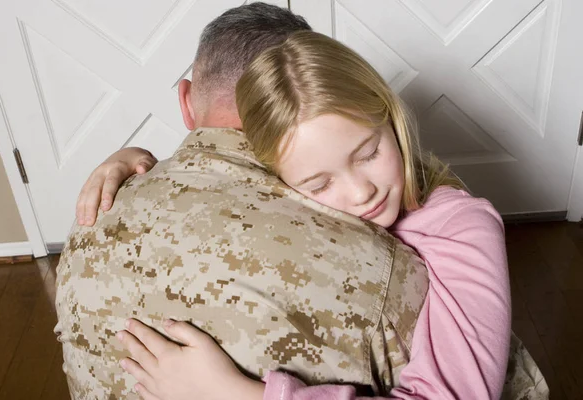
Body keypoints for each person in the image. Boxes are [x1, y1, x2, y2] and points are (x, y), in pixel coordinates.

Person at [77, 31, 549, 400]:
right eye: (319, 184)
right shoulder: (279, 196)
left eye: (368, 151)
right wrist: (133, 158)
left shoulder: (461, 227)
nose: (361, 191)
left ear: (389, 114)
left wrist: (236, 393)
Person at [56, 3, 431, 399]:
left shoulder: (91, 216)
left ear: (185, 101)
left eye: (368, 153)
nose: (360, 192)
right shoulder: (386, 269)